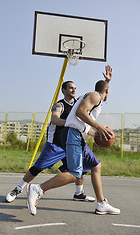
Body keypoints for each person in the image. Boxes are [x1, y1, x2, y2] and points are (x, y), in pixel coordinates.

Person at [27, 65, 121, 215]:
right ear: (107, 91)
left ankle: (101, 203)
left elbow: (92, 103)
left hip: (76, 135)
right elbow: (80, 112)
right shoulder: (95, 96)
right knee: (75, 174)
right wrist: (99, 127)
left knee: (96, 166)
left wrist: (107, 81)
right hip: (73, 134)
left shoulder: (95, 97)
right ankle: (37, 189)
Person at [5, 81, 95, 203]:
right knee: (38, 168)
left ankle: (79, 193)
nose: (73, 90)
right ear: (63, 90)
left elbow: (94, 99)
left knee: (81, 167)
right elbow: (54, 119)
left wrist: (98, 133)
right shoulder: (59, 105)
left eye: (75, 88)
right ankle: (18, 188)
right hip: (55, 145)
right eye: (70, 88)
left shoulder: (77, 105)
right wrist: (72, 124)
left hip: (70, 144)